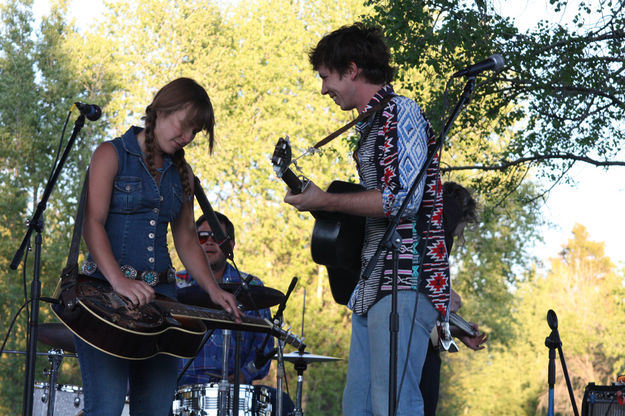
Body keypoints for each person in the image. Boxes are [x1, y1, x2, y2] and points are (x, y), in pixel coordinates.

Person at [284, 24, 451, 415]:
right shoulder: (374, 122)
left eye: (326, 76)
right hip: (373, 283)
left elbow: (401, 200)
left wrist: (325, 199)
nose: (324, 88)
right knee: (356, 406)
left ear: (352, 69)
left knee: (393, 402)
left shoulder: (402, 112)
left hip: (405, 279)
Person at [77, 77, 241, 416]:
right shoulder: (111, 154)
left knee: (155, 409)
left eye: (194, 132)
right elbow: (91, 224)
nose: (187, 138)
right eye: (184, 126)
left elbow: (186, 239)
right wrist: (120, 281)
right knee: (105, 408)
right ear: (161, 110)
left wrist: (212, 289)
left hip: (162, 300)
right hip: (104, 297)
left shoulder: (182, 173)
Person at [175, 212, 295, 416]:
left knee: (282, 404)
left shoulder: (252, 287)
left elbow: (263, 348)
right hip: (181, 391)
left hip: (236, 392)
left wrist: (242, 374)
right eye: (202, 237)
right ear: (193, 243)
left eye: (217, 237)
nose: (210, 242)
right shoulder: (176, 285)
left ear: (231, 245)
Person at [420, 181, 488, 415]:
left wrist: (458, 331)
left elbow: (429, 317)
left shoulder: (437, 238)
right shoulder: (437, 229)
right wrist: (445, 293)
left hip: (423, 343)